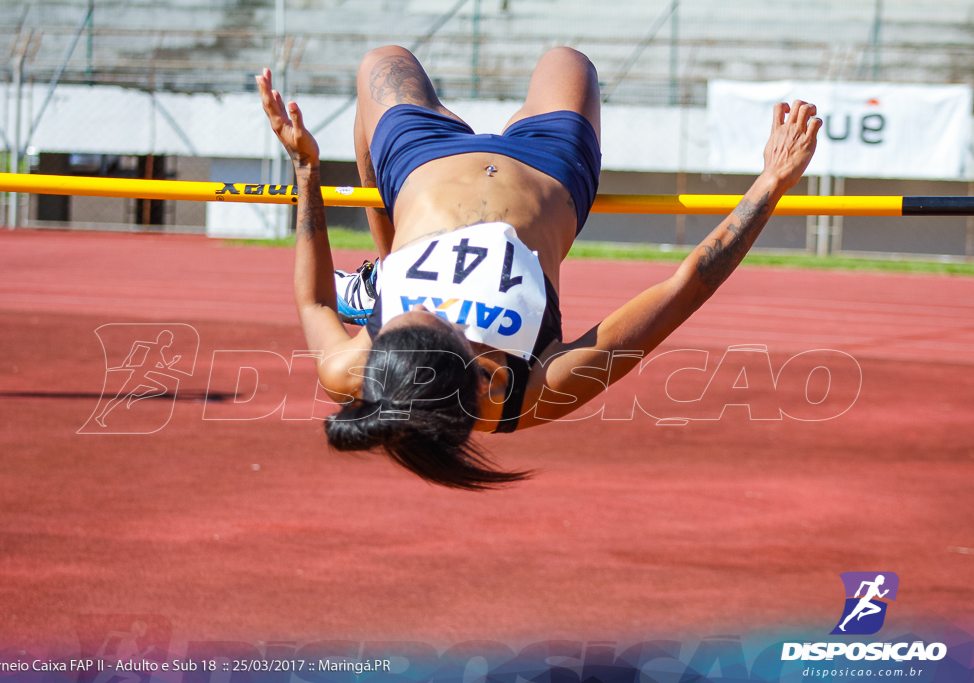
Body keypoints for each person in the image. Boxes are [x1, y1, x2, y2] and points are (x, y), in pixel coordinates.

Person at [255, 46, 820, 490]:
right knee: (567, 62)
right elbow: (683, 289)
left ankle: (384, 265)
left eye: (396, 314)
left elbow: (316, 304)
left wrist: (307, 169)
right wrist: (770, 184)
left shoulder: (354, 370)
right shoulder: (539, 387)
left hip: (422, 164)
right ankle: (387, 265)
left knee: (381, 61)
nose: (422, 302)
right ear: (475, 368)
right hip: (550, 171)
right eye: (425, 315)